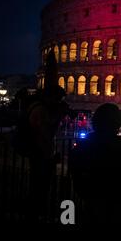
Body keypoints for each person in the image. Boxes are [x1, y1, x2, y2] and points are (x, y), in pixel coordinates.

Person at [70, 103, 121, 225]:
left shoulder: (86, 141)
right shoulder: (119, 142)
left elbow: (74, 166)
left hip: (92, 194)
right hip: (115, 195)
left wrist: (82, 190)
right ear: (115, 122)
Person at [27, 85, 68, 222]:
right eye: (58, 99)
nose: (59, 103)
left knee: (40, 188)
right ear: (51, 97)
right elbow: (46, 133)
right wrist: (59, 117)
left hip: (40, 153)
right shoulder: (41, 110)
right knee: (40, 189)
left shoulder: (37, 108)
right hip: (41, 154)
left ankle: (38, 213)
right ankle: (38, 215)